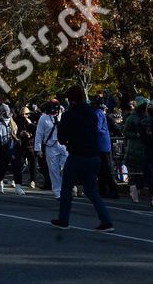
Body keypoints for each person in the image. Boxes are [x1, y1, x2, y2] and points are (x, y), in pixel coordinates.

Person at [49, 86, 114, 232]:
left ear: (71, 100)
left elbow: (61, 138)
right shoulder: (92, 114)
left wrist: (67, 137)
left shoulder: (68, 115)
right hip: (94, 154)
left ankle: (64, 219)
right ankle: (106, 220)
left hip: (77, 155)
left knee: (66, 188)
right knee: (91, 190)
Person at [33, 99, 67, 198]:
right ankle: (57, 191)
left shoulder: (63, 115)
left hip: (63, 145)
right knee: (53, 169)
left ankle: (66, 187)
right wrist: (38, 149)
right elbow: (39, 133)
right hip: (50, 146)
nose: (55, 111)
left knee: (65, 166)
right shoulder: (44, 118)